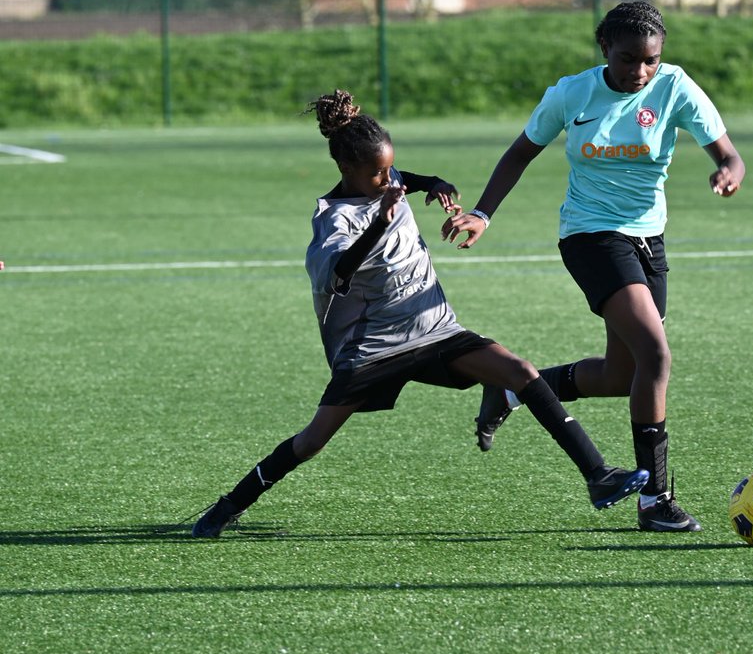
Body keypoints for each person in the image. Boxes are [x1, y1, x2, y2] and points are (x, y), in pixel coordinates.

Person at [191, 90, 647, 538]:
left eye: (392, 169)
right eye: (379, 173)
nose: (391, 181)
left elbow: (400, 178)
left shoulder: (384, 182)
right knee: (311, 441)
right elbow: (338, 272)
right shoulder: (333, 218)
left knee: (522, 372)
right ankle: (229, 505)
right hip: (373, 350)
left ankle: (598, 475)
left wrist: (434, 184)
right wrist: (380, 225)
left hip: (435, 330)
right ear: (347, 170)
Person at [441, 1, 745, 533]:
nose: (640, 72)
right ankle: (655, 499)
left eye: (650, 60)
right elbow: (520, 152)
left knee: (621, 375)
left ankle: (515, 387)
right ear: (604, 48)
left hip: (649, 239)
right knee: (655, 353)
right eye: (629, 59)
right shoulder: (571, 93)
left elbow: (729, 153)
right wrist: (483, 214)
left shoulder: (675, 87)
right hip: (590, 236)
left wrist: (727, 170)